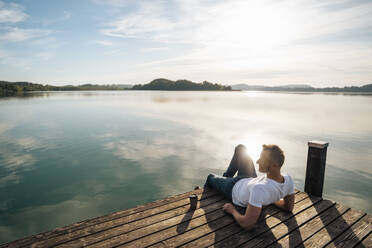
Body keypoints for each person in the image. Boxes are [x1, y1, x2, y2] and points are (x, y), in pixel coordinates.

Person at [204, 144, 295, 231]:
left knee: (210, 177)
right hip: (251, 178)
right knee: (241, 149)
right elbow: (288, 207)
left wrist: (232, 210)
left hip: (233, 187)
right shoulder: (288, 179)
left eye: (263, 159)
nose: (257, 161)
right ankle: (226, 177)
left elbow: (247, 224)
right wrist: (270, 199)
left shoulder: (259, 189)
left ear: (274, 165)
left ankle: (223, 181)